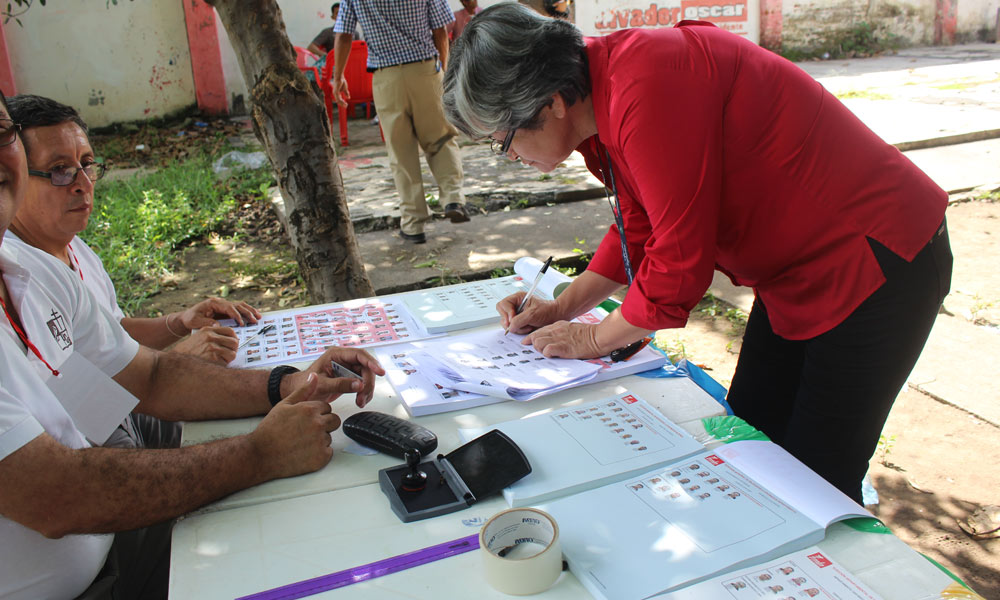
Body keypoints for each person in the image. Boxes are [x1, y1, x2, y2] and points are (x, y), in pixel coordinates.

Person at [443, 4, 952, 504]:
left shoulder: (646, 86)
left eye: (502, 139)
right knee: (750, 434)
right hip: (795, 272)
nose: (508, 156)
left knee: (817, 473)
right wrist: (561, 308)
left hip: (875, 256)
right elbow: (640, 224)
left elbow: (678, 265)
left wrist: (595, 338)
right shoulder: (598, 92)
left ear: (552, 101)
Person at [0, 90, 386, 600]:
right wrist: (258, 454)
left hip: (112, 547)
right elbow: (58, 495)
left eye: (0, 132)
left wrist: (291, 382)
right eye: (60, 170)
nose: (82, 185)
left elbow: (149, 377)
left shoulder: (30, 270)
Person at [7, 94, 258, 367]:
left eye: (87, 164)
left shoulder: (73, 247)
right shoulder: (15, 282)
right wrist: (179, 360)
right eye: (59, 170)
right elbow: (67, 401)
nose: (83, 183)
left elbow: (112, 336)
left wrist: (180, 322)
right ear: (13, 176)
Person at [332, 0, 471, 245]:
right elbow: (440, 29)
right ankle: (453, 198)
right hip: (426, 71)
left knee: (401, 151)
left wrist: (338, 76)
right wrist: (444, 69)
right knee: (441, 138)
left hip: (386, 79)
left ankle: (413, 223)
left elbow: (344, 34)